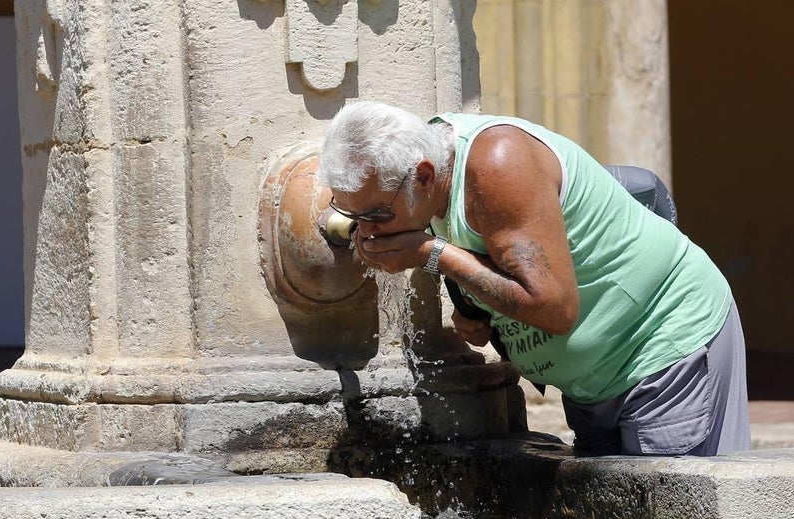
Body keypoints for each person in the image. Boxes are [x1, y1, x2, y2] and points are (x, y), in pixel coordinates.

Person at [318, 101, 750, 457]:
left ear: (425, 176)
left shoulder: (497, 164)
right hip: (591, 385)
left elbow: (554, 308)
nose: (368, 231)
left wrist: (436, 256)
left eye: (377, 215)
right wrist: (480, 314)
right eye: (355, 216)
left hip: (664, 349)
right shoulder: (420, 182)